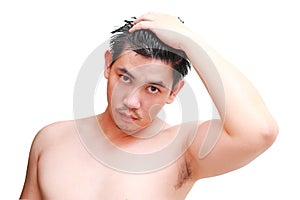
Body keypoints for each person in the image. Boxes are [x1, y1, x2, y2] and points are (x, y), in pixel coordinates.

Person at [20, 12, 278, 200]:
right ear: (108, 65)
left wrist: (190, 41)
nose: (131, 101)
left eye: (153, 88)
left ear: (174, 92)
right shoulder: (51, 140)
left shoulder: (182, 150)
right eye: (125, 77)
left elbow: (260, 130)